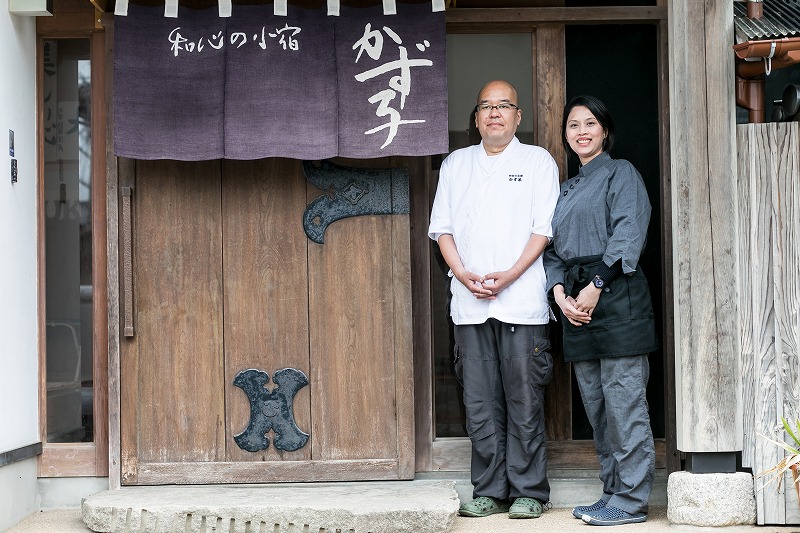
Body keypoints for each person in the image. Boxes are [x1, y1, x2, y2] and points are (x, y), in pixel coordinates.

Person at [428, 80, 559, 519]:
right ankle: (488, 489)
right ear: (477, 118)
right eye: (486, 106)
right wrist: (463, 275)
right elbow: (441, 229)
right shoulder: (455, 163)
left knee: (524, 399)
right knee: (480, 401)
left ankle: (529, 491)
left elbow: (543, 230)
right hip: (470, 304)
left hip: (521, 300)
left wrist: (510, 276)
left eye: (504, 105)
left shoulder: (537, 160)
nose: (495, 113)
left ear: (518, 117)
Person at [543, 95, 659, 526]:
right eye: (573, 126)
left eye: (590, 123)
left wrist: (596, 285)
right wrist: (559, 295)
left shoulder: (621, 173)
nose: (581, 132)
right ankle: (611, 492)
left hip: (616, 294)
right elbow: (550, 249)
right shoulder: (566, 189)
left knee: (625, 402)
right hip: (575, 302)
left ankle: (631, 502)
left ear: (605, 131)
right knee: (597, 405)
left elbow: (630, 230)